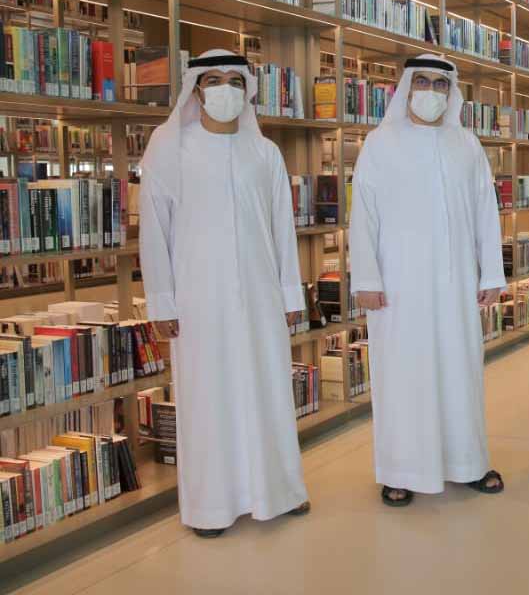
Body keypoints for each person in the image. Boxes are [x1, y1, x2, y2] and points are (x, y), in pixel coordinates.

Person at [139, 50, 310, 538]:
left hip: (259, 298)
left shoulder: (265, 153)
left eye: (235, 80)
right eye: (213, 79)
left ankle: (279, 491)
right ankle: (210, 506)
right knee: (207, 398)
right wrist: (162, 303)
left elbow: (281, 228)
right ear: (195, 89)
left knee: (267, 390)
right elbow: (154, 232)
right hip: (198, 299)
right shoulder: (168, 148)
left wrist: (289, 297)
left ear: (248, 90)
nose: (225, 89)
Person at [349, 56, 508, 507]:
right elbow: (363, 216)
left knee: (460, 370)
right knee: (403, 375)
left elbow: (485, 213)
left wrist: (492, 271)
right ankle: (401, 470)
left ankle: (467, 462)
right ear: (405, 86)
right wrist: (366, 278)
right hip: (398, 286)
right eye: (423, 81)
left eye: (442, 83)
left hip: (456, 284)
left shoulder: (467, 145)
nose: (432, 90)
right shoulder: (380, 144)